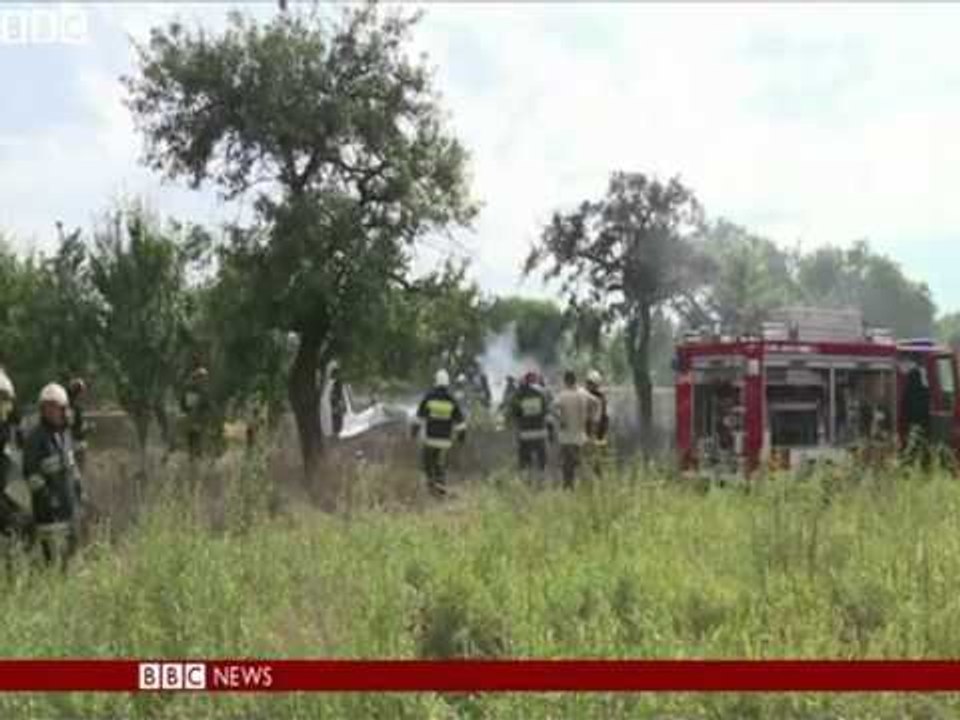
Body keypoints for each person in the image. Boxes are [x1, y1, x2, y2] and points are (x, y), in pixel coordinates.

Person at [22, 383, 84, 570]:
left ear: (64, 409)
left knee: (73, 562)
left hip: (70, 510)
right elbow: (31, 475)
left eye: (55, 407)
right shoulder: (35, 439)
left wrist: (80, 490)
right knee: (53, 565)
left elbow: (71, 468)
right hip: (49, 516)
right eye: (47, 407)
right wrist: (50, 500)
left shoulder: (64, 435)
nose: (51, 412)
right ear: (42, 410)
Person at [412, 370, 467, 498]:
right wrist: (461, 438)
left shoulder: (429, 397)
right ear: (447, 383)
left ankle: (432, 488)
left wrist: (414, 433)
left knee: (428, 463)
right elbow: (461, 423)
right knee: (439, 465)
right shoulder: (452, 400)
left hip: (430, 439)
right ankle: (440, 488)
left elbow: (418, 418)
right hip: (445, 442)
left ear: (435, 382)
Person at [554, 370, 600, 489]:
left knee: (567, 467)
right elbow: (596, 402)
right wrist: (593, 419)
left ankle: (569, 489)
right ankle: (587, 487)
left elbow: (553, 408)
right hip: (580, 436)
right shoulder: (583, 393)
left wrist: (560, 419)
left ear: (565, 381)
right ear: (575, 380)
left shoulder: (562, 395)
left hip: (566, 437)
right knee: (581, 463)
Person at [511, 371, 553, 477]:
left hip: (525, 434)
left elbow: (515, 413)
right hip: (540, 432)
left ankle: (527, 482)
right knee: (541, 461)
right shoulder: (543, 393)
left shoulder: (519, 394)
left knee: (525, 460)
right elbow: (547, 413)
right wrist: (550, 432)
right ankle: (542, 481)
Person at [585, 369, 612, 478]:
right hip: (590, 429)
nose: (589, 385)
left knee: (595, 454)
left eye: (591, 383)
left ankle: (597, 473)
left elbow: (603, 416)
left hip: (596, 429)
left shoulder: (600, 397)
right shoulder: (590, 396)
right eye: (588, 383)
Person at [181, 365, 212, 459]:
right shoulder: (191, 389)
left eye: (204, 378)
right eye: (202, 378)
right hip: (192, 417)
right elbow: (188, 405)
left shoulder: (203, 390)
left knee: (198, 438)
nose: (204, 380)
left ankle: (197, 455)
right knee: (193, 437)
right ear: (197, 378)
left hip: (200, 418)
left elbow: (206, 405)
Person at [902, 365, 931, 465]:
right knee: (924, 448)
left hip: (912, 426)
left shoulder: (907, 392)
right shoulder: (926, 391)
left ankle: (908, 466)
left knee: (911, 450)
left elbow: (904, 410)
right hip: (925, 425)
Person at [66, 378, 89, 474]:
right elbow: (72, 424)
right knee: (78, 470)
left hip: (70, 441)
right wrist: (86, 427)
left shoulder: (67, 404)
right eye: (81, 392)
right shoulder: (73, 406)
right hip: (75, 441)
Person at [329, 366, 346, 438]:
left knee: (338, 416)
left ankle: (337, 432)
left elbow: (340, 393)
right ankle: (336, 433)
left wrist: (341, 401)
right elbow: (334, 393)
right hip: (335, 401)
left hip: (337, 401)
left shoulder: (338, 382)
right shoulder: (332, 382)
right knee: (336, 416)